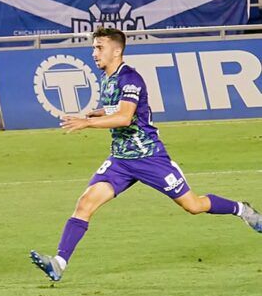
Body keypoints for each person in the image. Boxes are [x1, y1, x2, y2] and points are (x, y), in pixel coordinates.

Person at [30, 26, 262, 282]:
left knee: (193, 205)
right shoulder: (108, 78)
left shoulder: (130, 78)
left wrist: (87, 123)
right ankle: (59, 263)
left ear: (116, 50)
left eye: (99, 47)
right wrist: (99, 112)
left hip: (149, 158)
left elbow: (125, 116)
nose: (93, 53)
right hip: (120, 161)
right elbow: (118, 111)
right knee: (85, 203)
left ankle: (242, 209)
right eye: (94, 47)